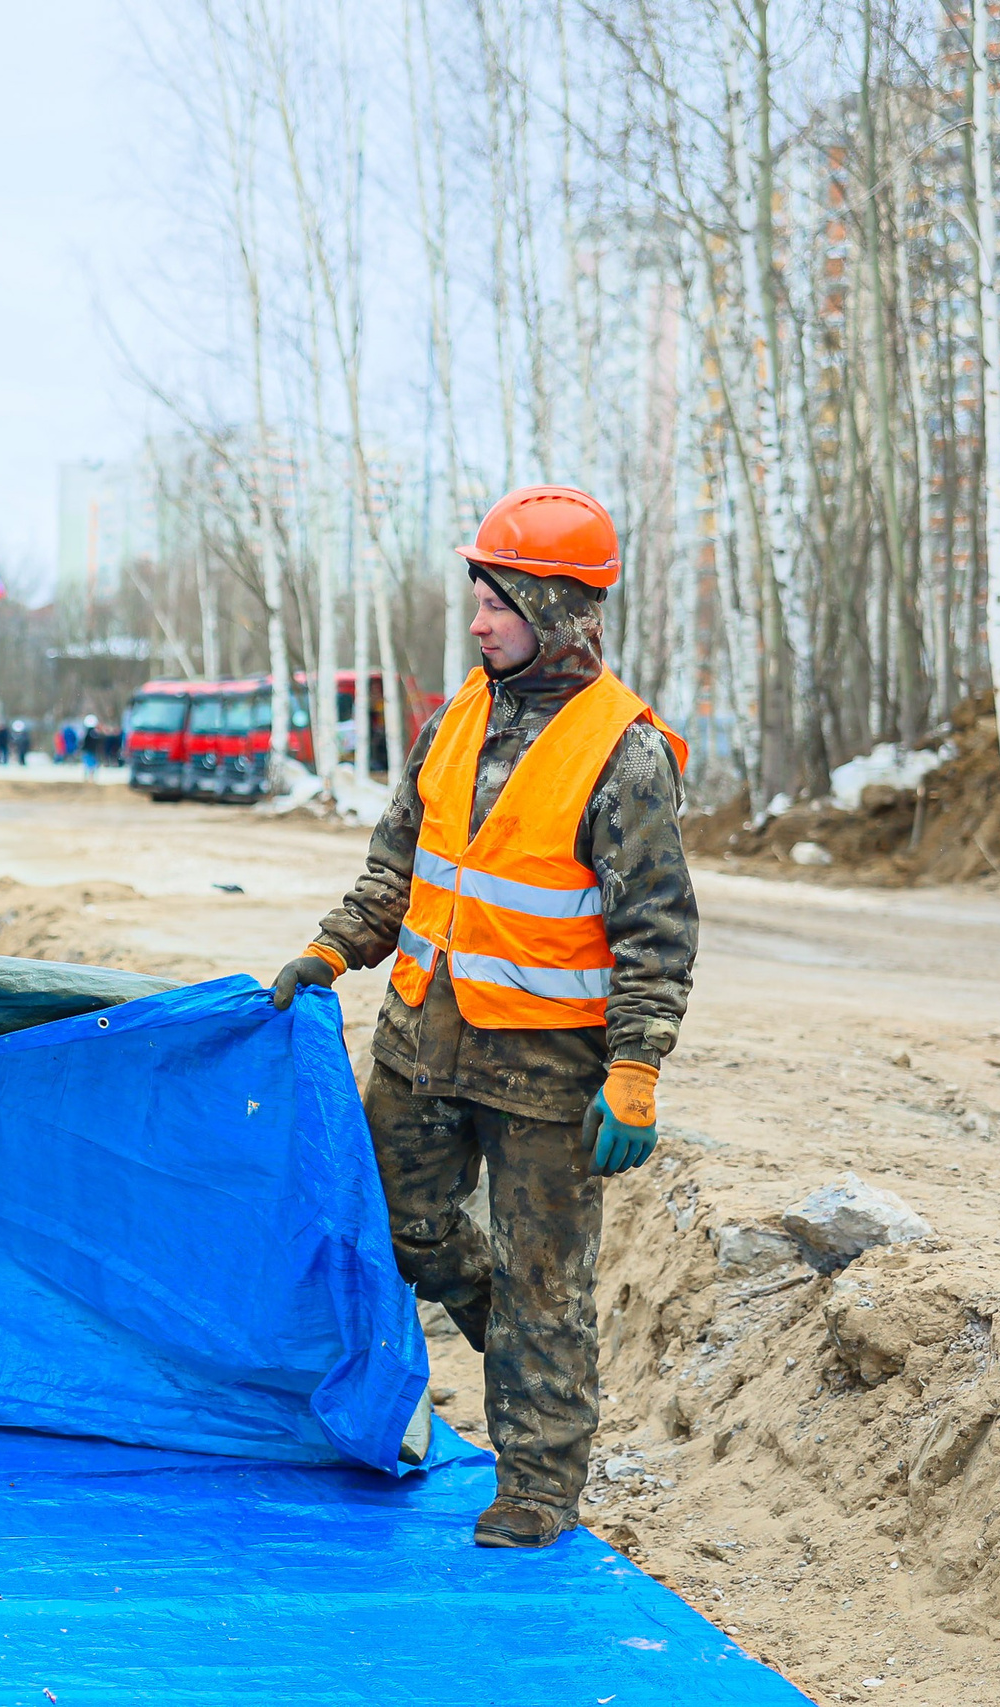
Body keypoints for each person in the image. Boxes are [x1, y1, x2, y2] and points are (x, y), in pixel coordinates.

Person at [268, 486, 696, 1550]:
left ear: (554, 606)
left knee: (545, 1287)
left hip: (547, 1075)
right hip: (420, 1044)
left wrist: (634, 1071)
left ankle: (539, 1485)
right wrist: (332, 947)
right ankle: (516, 1354)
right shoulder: (454, 718)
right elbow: (395, 872)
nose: (475, 620)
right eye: (474, 596)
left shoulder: (624, 752)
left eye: (494, 599)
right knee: (401, 1226)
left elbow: (656, 933)